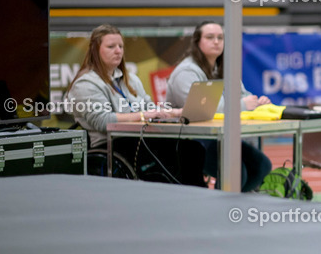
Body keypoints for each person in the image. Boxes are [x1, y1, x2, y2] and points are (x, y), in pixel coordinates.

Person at [66, 24, 207, 186]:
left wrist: (176, 112)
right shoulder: (85, 84)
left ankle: (190, 197)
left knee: (193, 148)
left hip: (139, 138)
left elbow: (149, 108)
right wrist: (143, 116)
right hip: (111, 145)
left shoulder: (130, 79)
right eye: (111, 46)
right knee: (185, 152)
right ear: (95, 51)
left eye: (120, 46)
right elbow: (103, 121)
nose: (118, 51)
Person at [167, 21, 273, 192]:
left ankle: (235, 208)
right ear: (197, 42)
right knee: (238, 174)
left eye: (220, 38)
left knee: (262, 166)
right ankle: (220, 209)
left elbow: (244, 96)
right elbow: (201, 110)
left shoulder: (224, 68)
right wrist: (243, 105)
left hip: (221, 138)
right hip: (192, 142)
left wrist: (258, 103)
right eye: (210, 37)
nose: (216, 42)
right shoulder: (186, 72)